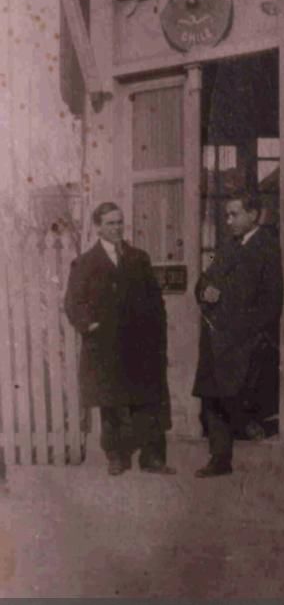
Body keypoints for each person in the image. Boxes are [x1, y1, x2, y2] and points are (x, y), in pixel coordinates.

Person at [64, 202, 175, 477]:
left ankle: (152, 459)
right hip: (106, 344)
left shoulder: (139, 258)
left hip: (139, 343)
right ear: (98, 227)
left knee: (147, 400)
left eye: (119, 222)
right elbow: (73, 302)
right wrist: (89, 325)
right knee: (110, 402)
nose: (116, 228)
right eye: (111, 223)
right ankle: (116, 456)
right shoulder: (86, 262)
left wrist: (157, 332)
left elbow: (154, 299)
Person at [193, 191, 283, 478]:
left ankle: (246, 447)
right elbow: (205, 279)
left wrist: (245, 332)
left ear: (253, 215)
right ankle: (219, 459)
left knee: (237, 395)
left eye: (234, 214)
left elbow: (272, 302)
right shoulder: (229, 247)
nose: (229, 220)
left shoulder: (268, 248)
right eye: (227, 215)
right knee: (212, 397)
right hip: (217, 336)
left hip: (245, 340)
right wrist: (204, 291)